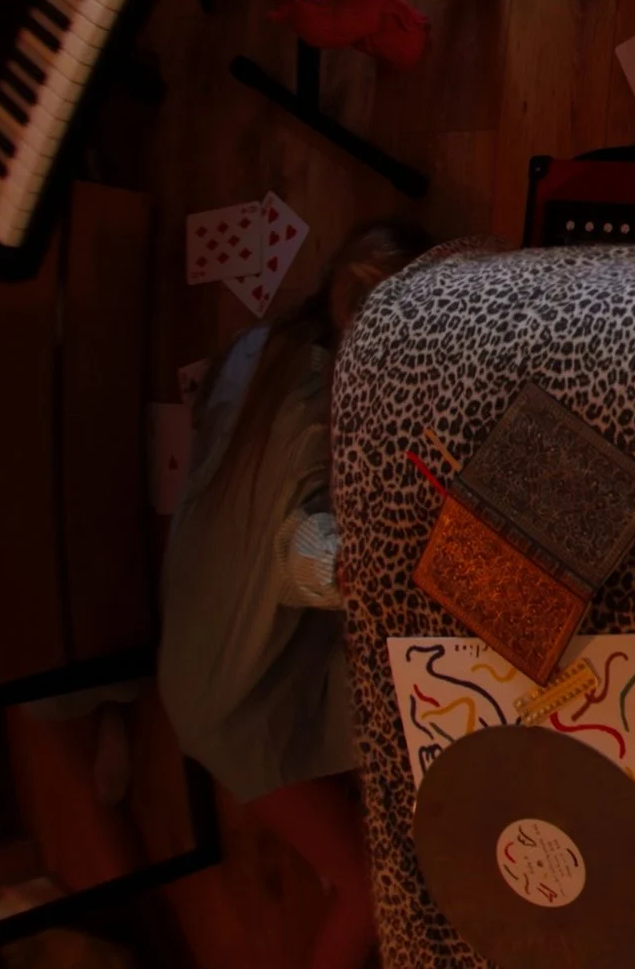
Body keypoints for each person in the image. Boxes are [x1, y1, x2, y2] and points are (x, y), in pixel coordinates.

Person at [158, 221, 431, 969]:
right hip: (233, 702)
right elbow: (307, 561)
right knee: (375, 887)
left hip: (207, 640)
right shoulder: (318, 425)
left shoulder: (263, 348)